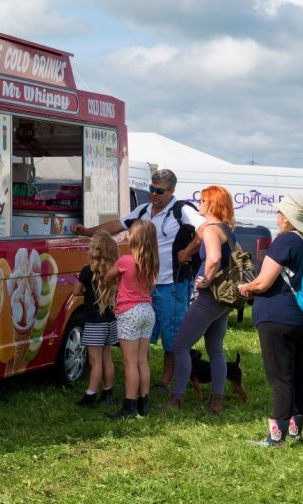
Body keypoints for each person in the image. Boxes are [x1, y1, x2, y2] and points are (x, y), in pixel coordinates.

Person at [73, 169, 202, 391]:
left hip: (172, 284)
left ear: (171, 191)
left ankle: (165, 381)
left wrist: (186, 253)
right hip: (145, 287)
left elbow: (205, 229)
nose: (153, 194)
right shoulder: (142, 210)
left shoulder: (183, 211)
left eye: (159, 191)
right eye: (151, 189)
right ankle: (143, 375)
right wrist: (88, 232)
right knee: (144, 335)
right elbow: (115, 225)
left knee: (171, 336)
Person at [237, 194, 303, 447]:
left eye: (279, 213)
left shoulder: (284, 242)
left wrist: (246, 287)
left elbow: (263, 282)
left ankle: (276, 436)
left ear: (286, 219)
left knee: (280, 377)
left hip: (277, 318)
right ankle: (295, 430)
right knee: (297, 373)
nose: (277, 217)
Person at [162, 186, 237, 413]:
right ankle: (216, 401)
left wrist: (205, 279)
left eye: (202, 200)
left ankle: (176, 399)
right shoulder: (228, 230)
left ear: (212, 204)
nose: (200, 204)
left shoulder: (212, 229)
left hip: (209, 296)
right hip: (225, 299)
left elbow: (213, 258)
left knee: (181, 345)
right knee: (215, 348)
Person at [104, 220, 160, 419]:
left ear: (134, 238)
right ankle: (144, 405)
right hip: (147, 310)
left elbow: (107, 277)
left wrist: (119, 280)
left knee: (129, 362)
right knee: (142, 361)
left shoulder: (126, 261)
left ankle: (129, 406)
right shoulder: (153, 262)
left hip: (129, 312)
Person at [72, 231, 119, 408]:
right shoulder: (115, 271)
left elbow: (76, 291)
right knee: (107, 357)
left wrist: (86, 291)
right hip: (110, 321)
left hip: (94, 322)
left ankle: (90, 394)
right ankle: (108, 392)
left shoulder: (87, 271)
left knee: (95, 361)